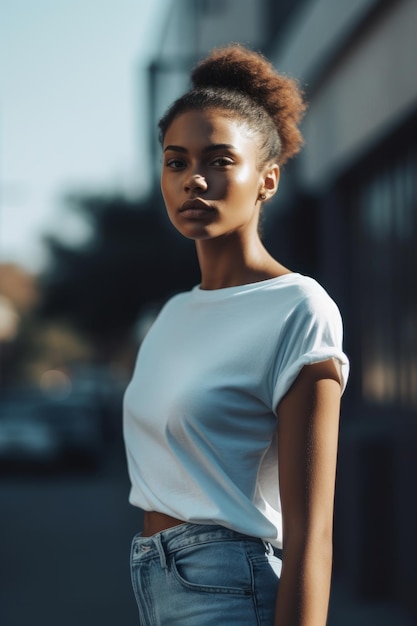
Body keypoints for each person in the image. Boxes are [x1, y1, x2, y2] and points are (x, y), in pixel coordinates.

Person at [124, 44, 349, 626]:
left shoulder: (298, 308)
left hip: (229, 590)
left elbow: (313, 532)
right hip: (153, 577)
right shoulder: (171, 314)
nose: (193, 180)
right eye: (176, 162)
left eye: (220, 160)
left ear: (267, 180)